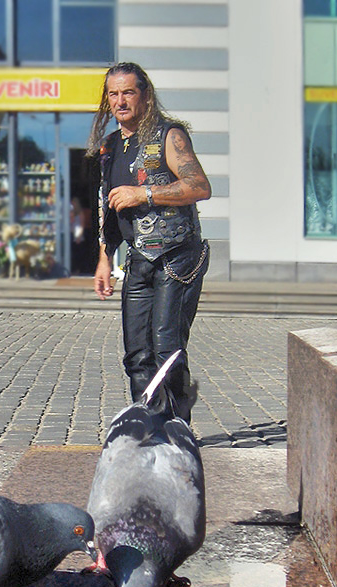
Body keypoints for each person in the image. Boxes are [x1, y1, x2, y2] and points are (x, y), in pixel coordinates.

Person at [88, 62, 211, 422]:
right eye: (114, 94)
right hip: (137, 260)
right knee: (136, 352)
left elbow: (199, 186)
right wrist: (104, 258)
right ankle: (150, 421)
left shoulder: (168, 136)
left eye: (128, 92)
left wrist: (144, 193)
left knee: (166, 344)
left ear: (145, 95)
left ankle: (175, 424)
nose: (120, 101)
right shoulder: (110, 146)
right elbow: (106, 206)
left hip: (177, 258)